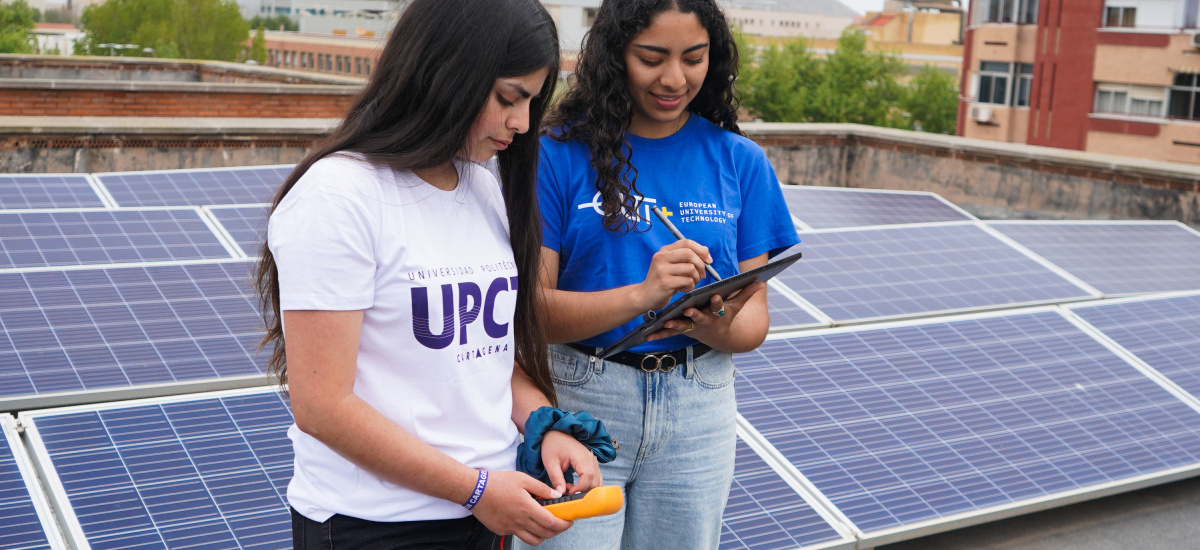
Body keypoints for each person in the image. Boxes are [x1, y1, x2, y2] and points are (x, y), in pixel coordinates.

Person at [253, 0, 602, 547]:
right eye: (508, 97)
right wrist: (474, 489)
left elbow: (481, 359)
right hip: (374, 525)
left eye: (532, 102)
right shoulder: (339, 196)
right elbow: (323, 405)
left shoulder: (483, 187)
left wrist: (545, 424)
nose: (523, 122)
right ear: (444, 73)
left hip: (481, 513)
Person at [525, 0, 801, 548]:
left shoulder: (742, 161)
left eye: (694, 58)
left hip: (700, 405)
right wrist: (644, 294)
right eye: (652, 58)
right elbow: (532, 313)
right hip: (582, 402)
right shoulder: (554, 156)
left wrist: (708, 321)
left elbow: (754, 327)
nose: (675, 78)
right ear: (613, 56)